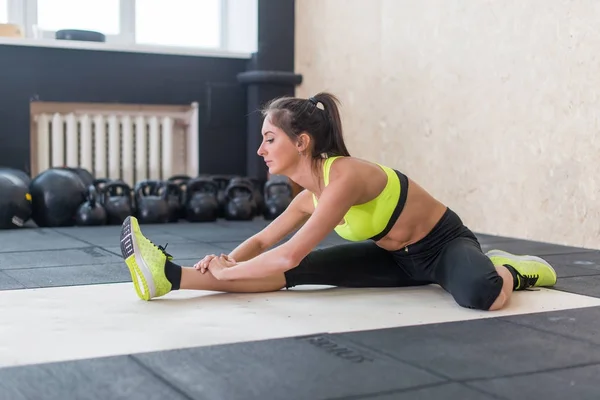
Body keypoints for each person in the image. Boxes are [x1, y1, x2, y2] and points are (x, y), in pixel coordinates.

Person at [119, 92, 557, 310]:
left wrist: (232, 269)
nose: (261, 150)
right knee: (294, 276)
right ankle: (170, 278)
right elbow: (262, 240)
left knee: (483, 295)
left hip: (441, 245)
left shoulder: (343, 175)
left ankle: (509, 268)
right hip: (393, 258)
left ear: (303, 141)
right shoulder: (308, 196)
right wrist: (225, 260)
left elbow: (288, 252)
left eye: (270, 139)